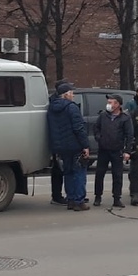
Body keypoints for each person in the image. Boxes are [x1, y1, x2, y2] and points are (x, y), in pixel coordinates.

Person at [48, 82, 90, 211]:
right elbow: (78, 128)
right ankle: (79, 201)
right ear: (66, 95)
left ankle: (70, 200)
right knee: (79, 173)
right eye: (72, 93)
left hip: (61, 146)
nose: (73, 95)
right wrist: (85, 145)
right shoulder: (72, 107)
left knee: (68, 173)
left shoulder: (51, 108)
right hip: (75, 145)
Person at [92, 94, 133, 208]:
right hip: (104, 149)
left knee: (117, 175)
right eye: (109, 102)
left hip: (117, 150)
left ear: (118, 104)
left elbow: (129, 135)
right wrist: (99, 138)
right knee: (100, 174)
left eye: (112, 102)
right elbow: (96, 128)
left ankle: (116, 198)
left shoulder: (125, 118)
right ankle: (98, 196)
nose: (109, 104)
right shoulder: (103, 115)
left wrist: (127, 151)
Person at [48, 82, 68, 206]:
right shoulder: (61, 105)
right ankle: (58, 196)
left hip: (56, 141)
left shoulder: (52, 102)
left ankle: (59, 195)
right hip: (61, 141)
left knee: (58, 170)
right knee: (59, 171)